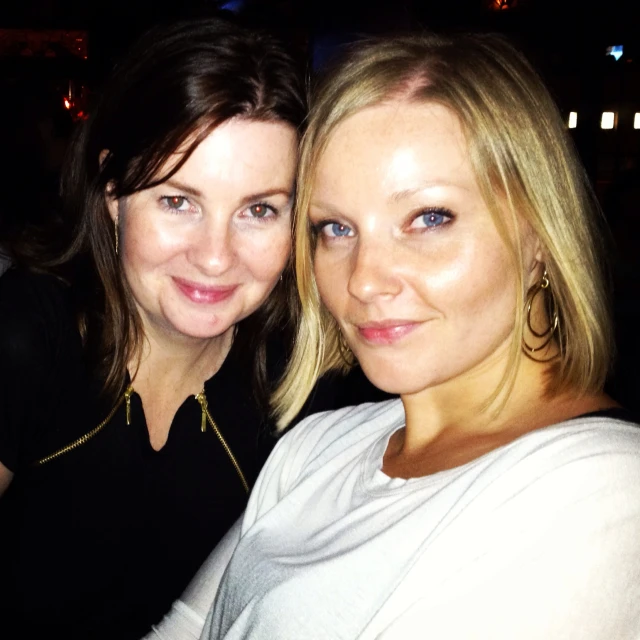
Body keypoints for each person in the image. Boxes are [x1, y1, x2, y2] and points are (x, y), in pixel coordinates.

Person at [149, 32, 640, 639]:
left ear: (538, 231)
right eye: (335, 228)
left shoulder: (604, 490)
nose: (365, 280)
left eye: (429, 218)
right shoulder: (319, 447)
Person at [0, 17, 384, 639]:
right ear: (115, 192)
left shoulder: (304, 395)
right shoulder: (25, 337)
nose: (214, 256)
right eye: (178, 201)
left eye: (259, 210)